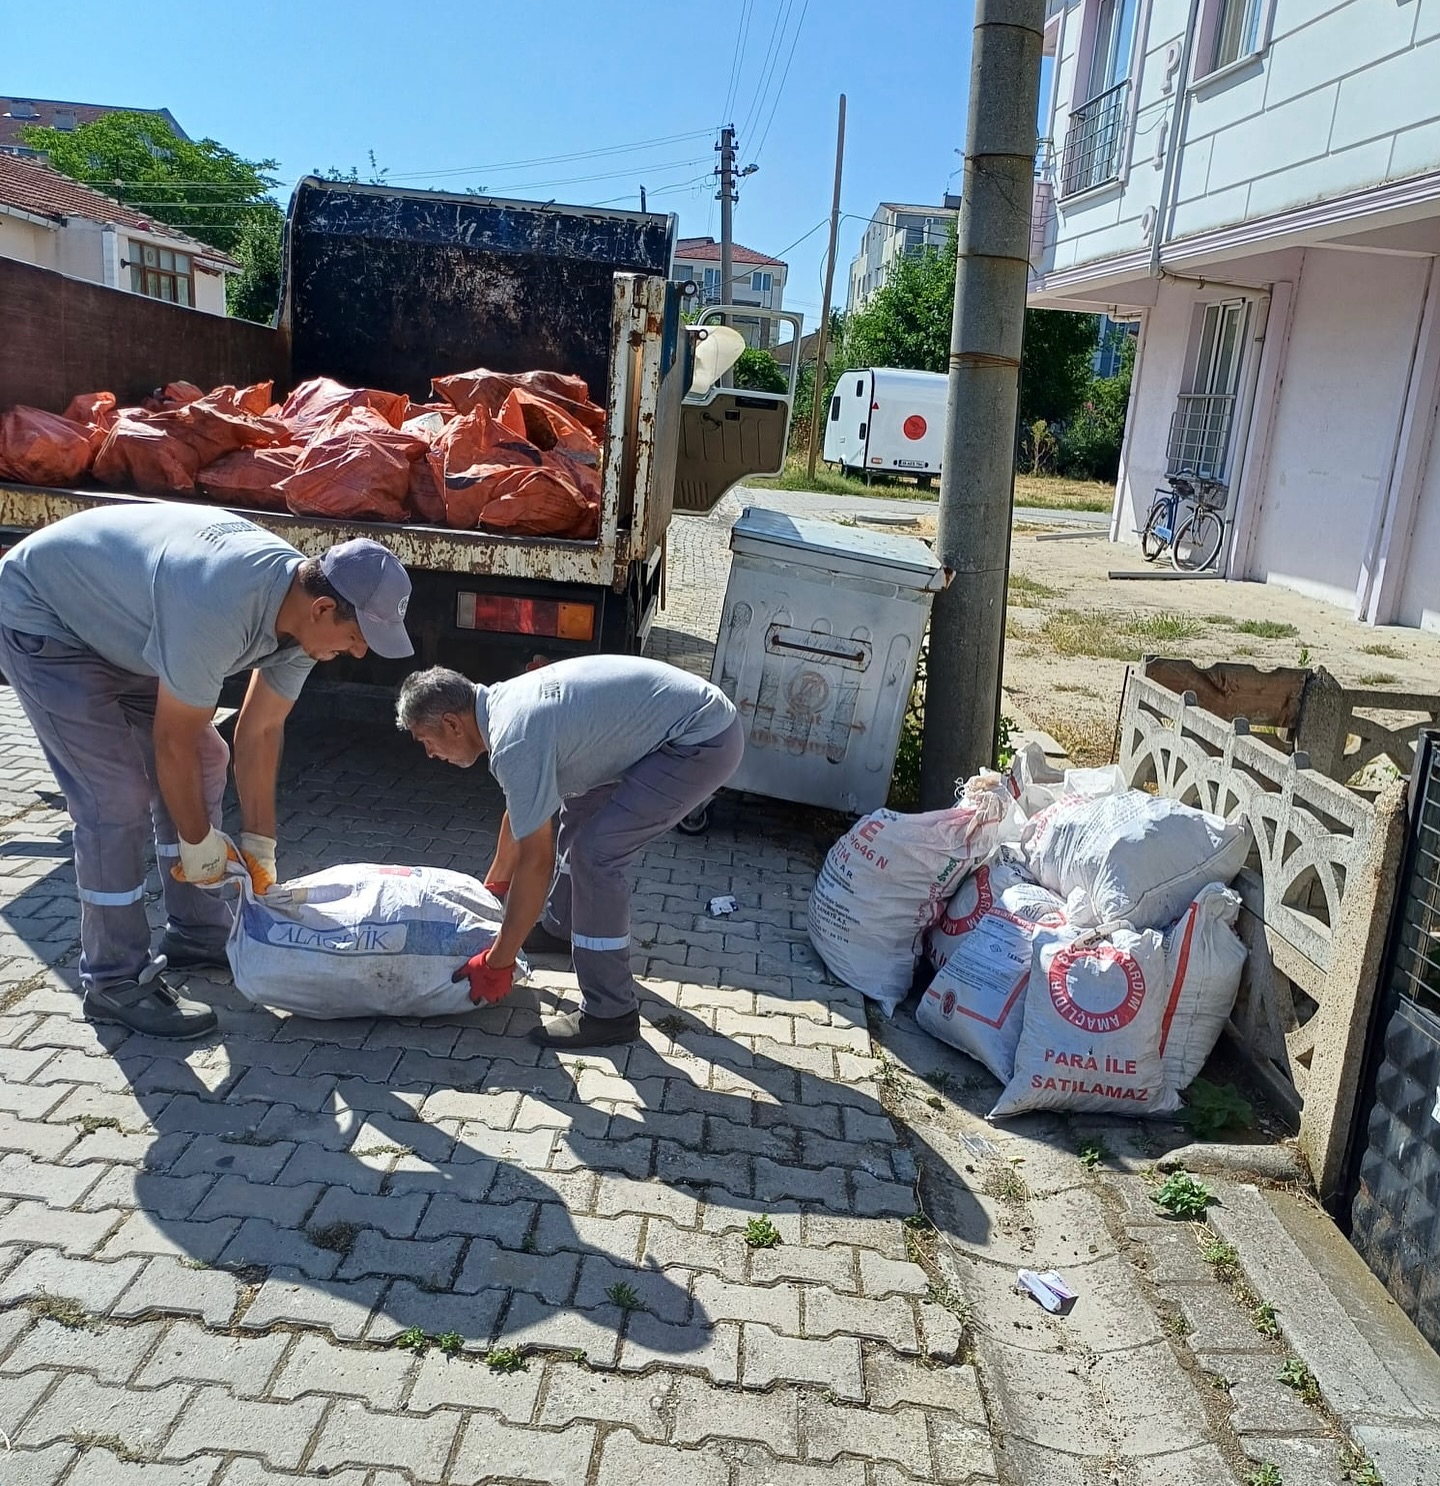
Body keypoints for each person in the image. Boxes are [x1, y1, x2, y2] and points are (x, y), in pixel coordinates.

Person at [0, 503, 414, 1040]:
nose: (358, 653)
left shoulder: (303, 621)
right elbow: (171, 740)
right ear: (322, 608)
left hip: (125, 630)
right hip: (49, 621)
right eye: (357, 638)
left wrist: (260, 847)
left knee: (207, 758)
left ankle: (196, 930)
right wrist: (198, 840)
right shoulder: (221, 602)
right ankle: (114, 978)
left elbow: (260, 731)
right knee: (114, 799)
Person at [395, 657, 744, 1048]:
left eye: (426, 742)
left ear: (453, 724)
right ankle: (563, 929)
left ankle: (611, 1013)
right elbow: (522, 808)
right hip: (676, 727)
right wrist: (493, 888)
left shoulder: (514, 738)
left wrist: (499, 961)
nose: (429, 754)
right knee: (576, 806)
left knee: (596, 855)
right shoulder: (500, 707)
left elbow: (536, 862)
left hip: (699, 740)